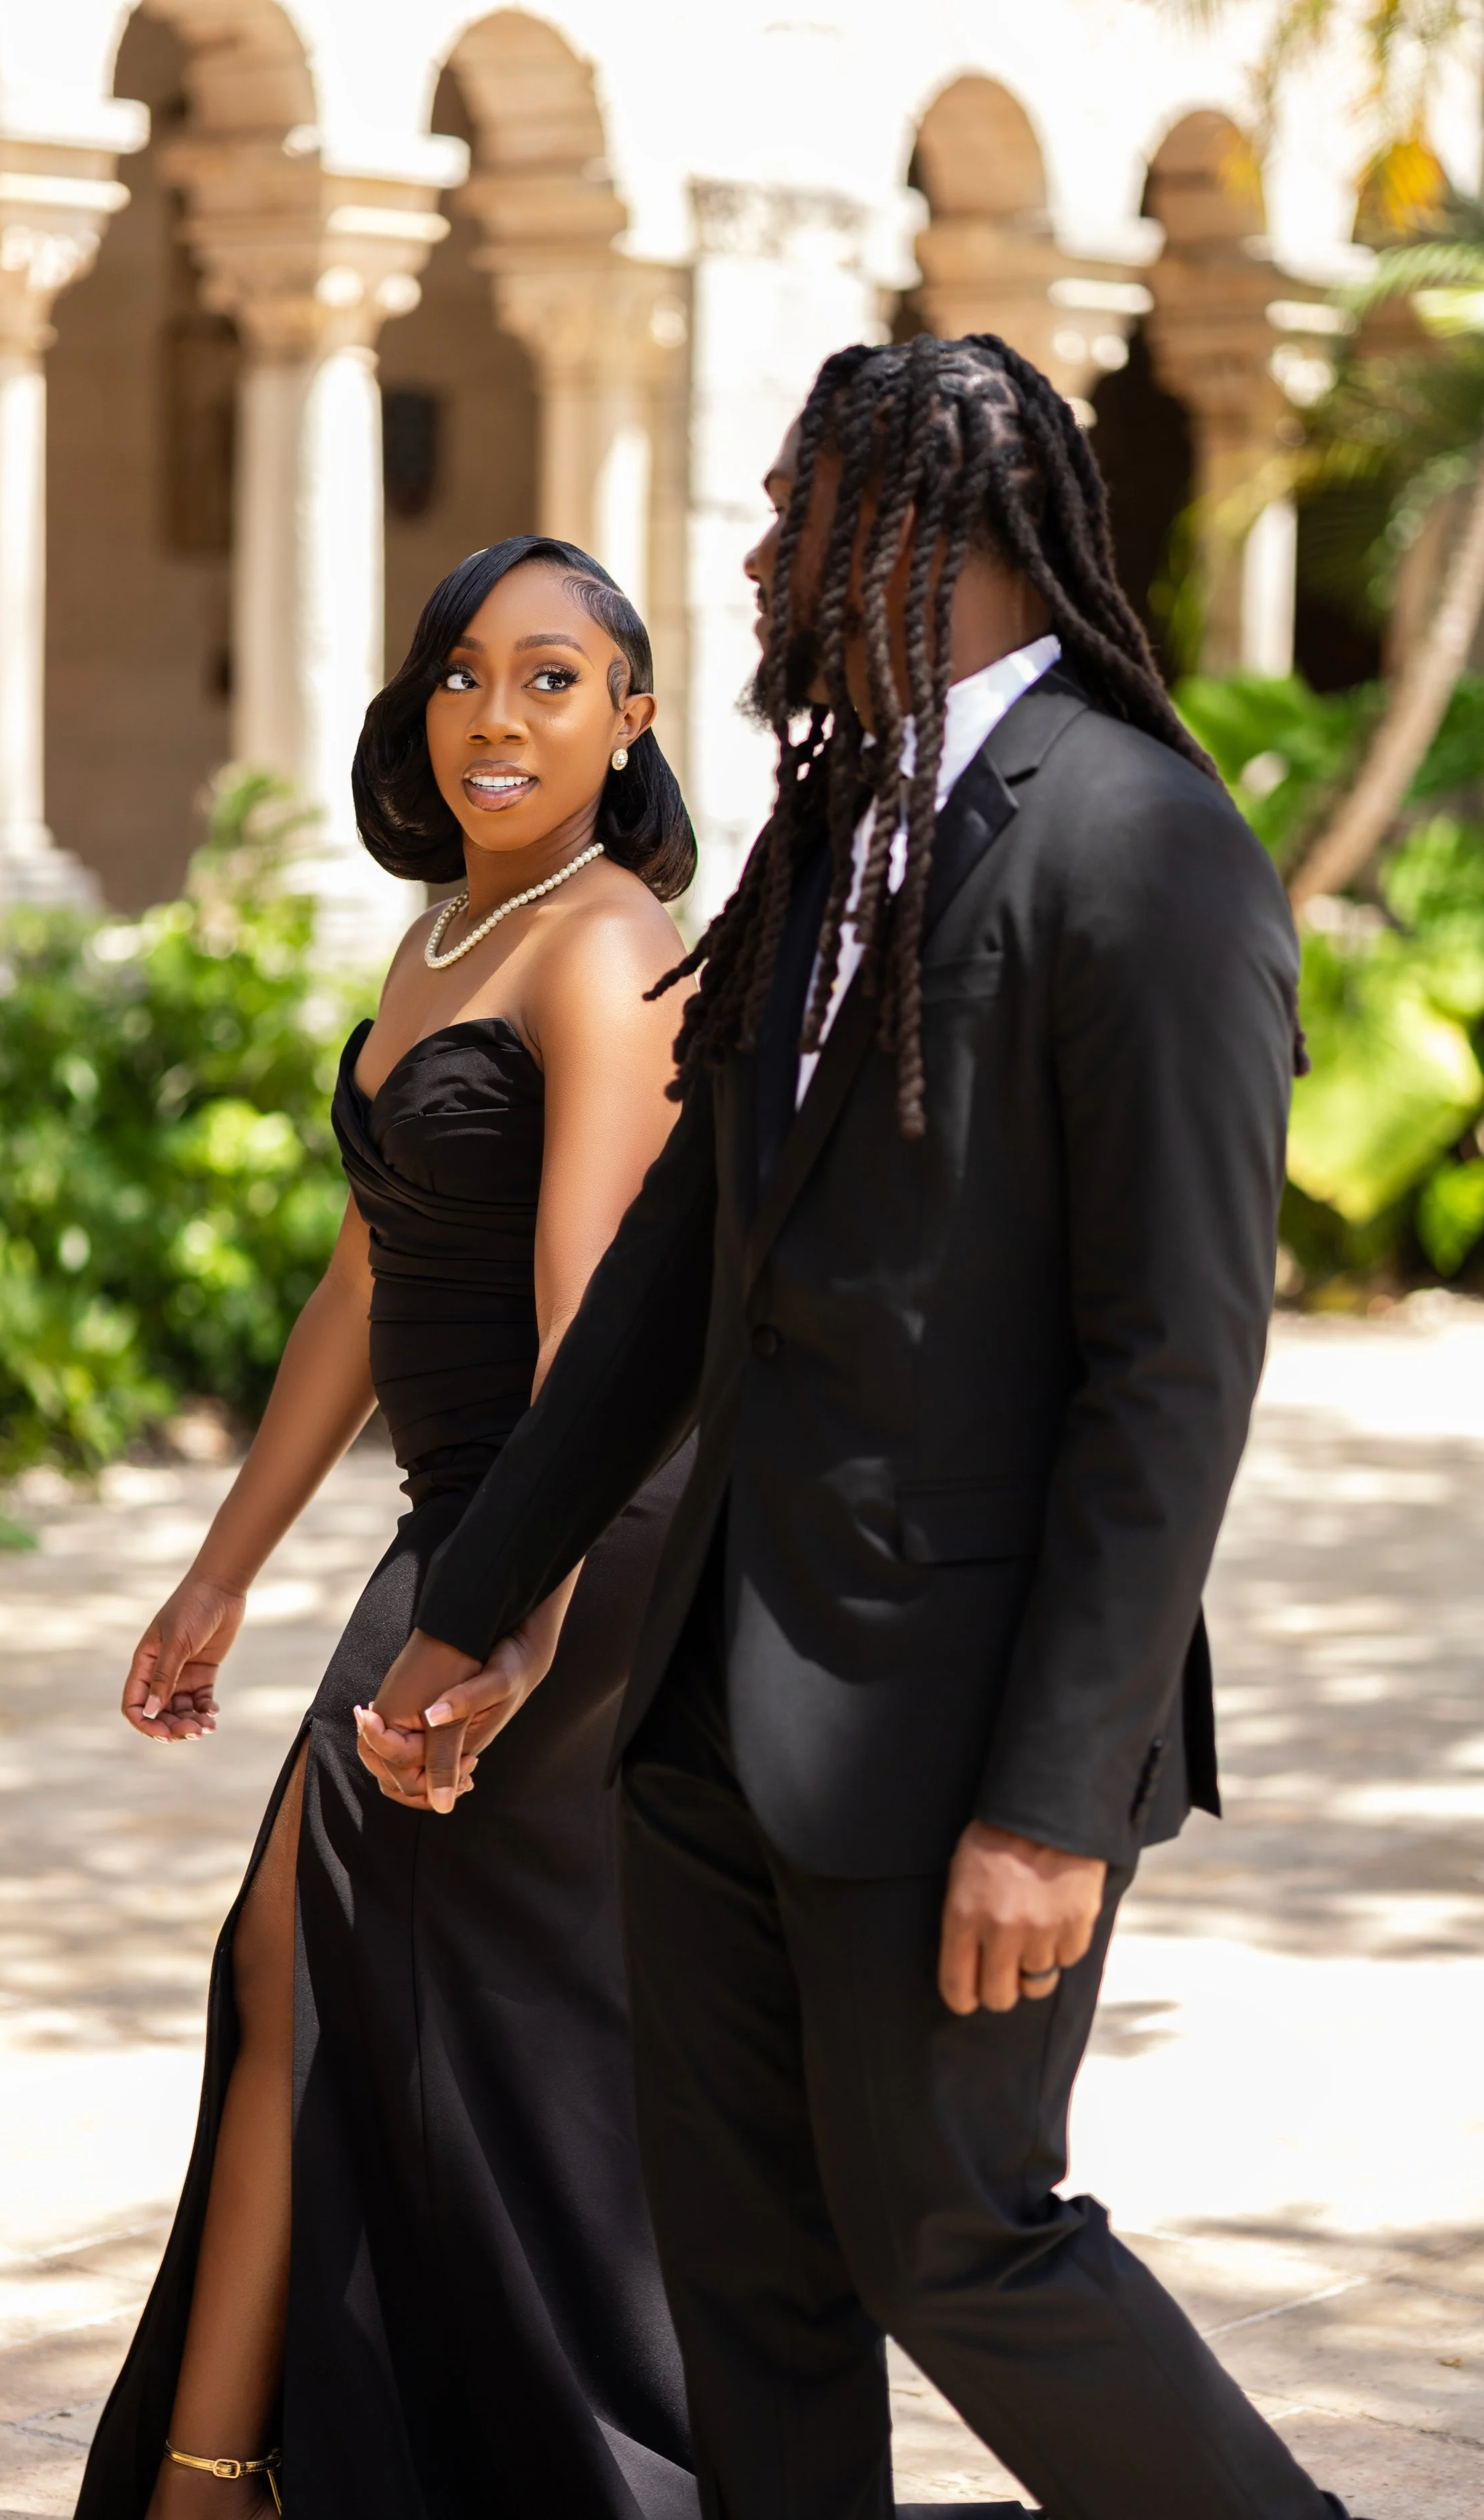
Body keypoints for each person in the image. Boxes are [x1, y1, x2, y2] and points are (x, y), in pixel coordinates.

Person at [362, 340, 1363, 2520]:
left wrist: (1050, 1800)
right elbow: (673, 1272)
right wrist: (482, 1594)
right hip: (707, 1709)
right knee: (752, 2283)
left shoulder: (1146, 844)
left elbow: (1171, 1368)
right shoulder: (829, 823)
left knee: (957, 2241)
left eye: (786, 514)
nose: (750, 560)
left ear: (919, 531)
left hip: (962, 1725)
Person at [75, 536, 700, 2520]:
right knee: (371, 1984)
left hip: (558, 1520)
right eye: (460, 675)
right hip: (464, 1514)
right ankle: (307, 2464)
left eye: (550, 678)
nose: (495, 718)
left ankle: (223, 2481)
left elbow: (594, 1327)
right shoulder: (446, 938)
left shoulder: (606, 944)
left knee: (303, 1941)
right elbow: (361, 1283)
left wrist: (522, 1610)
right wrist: (223, 1569)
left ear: (631, 717)